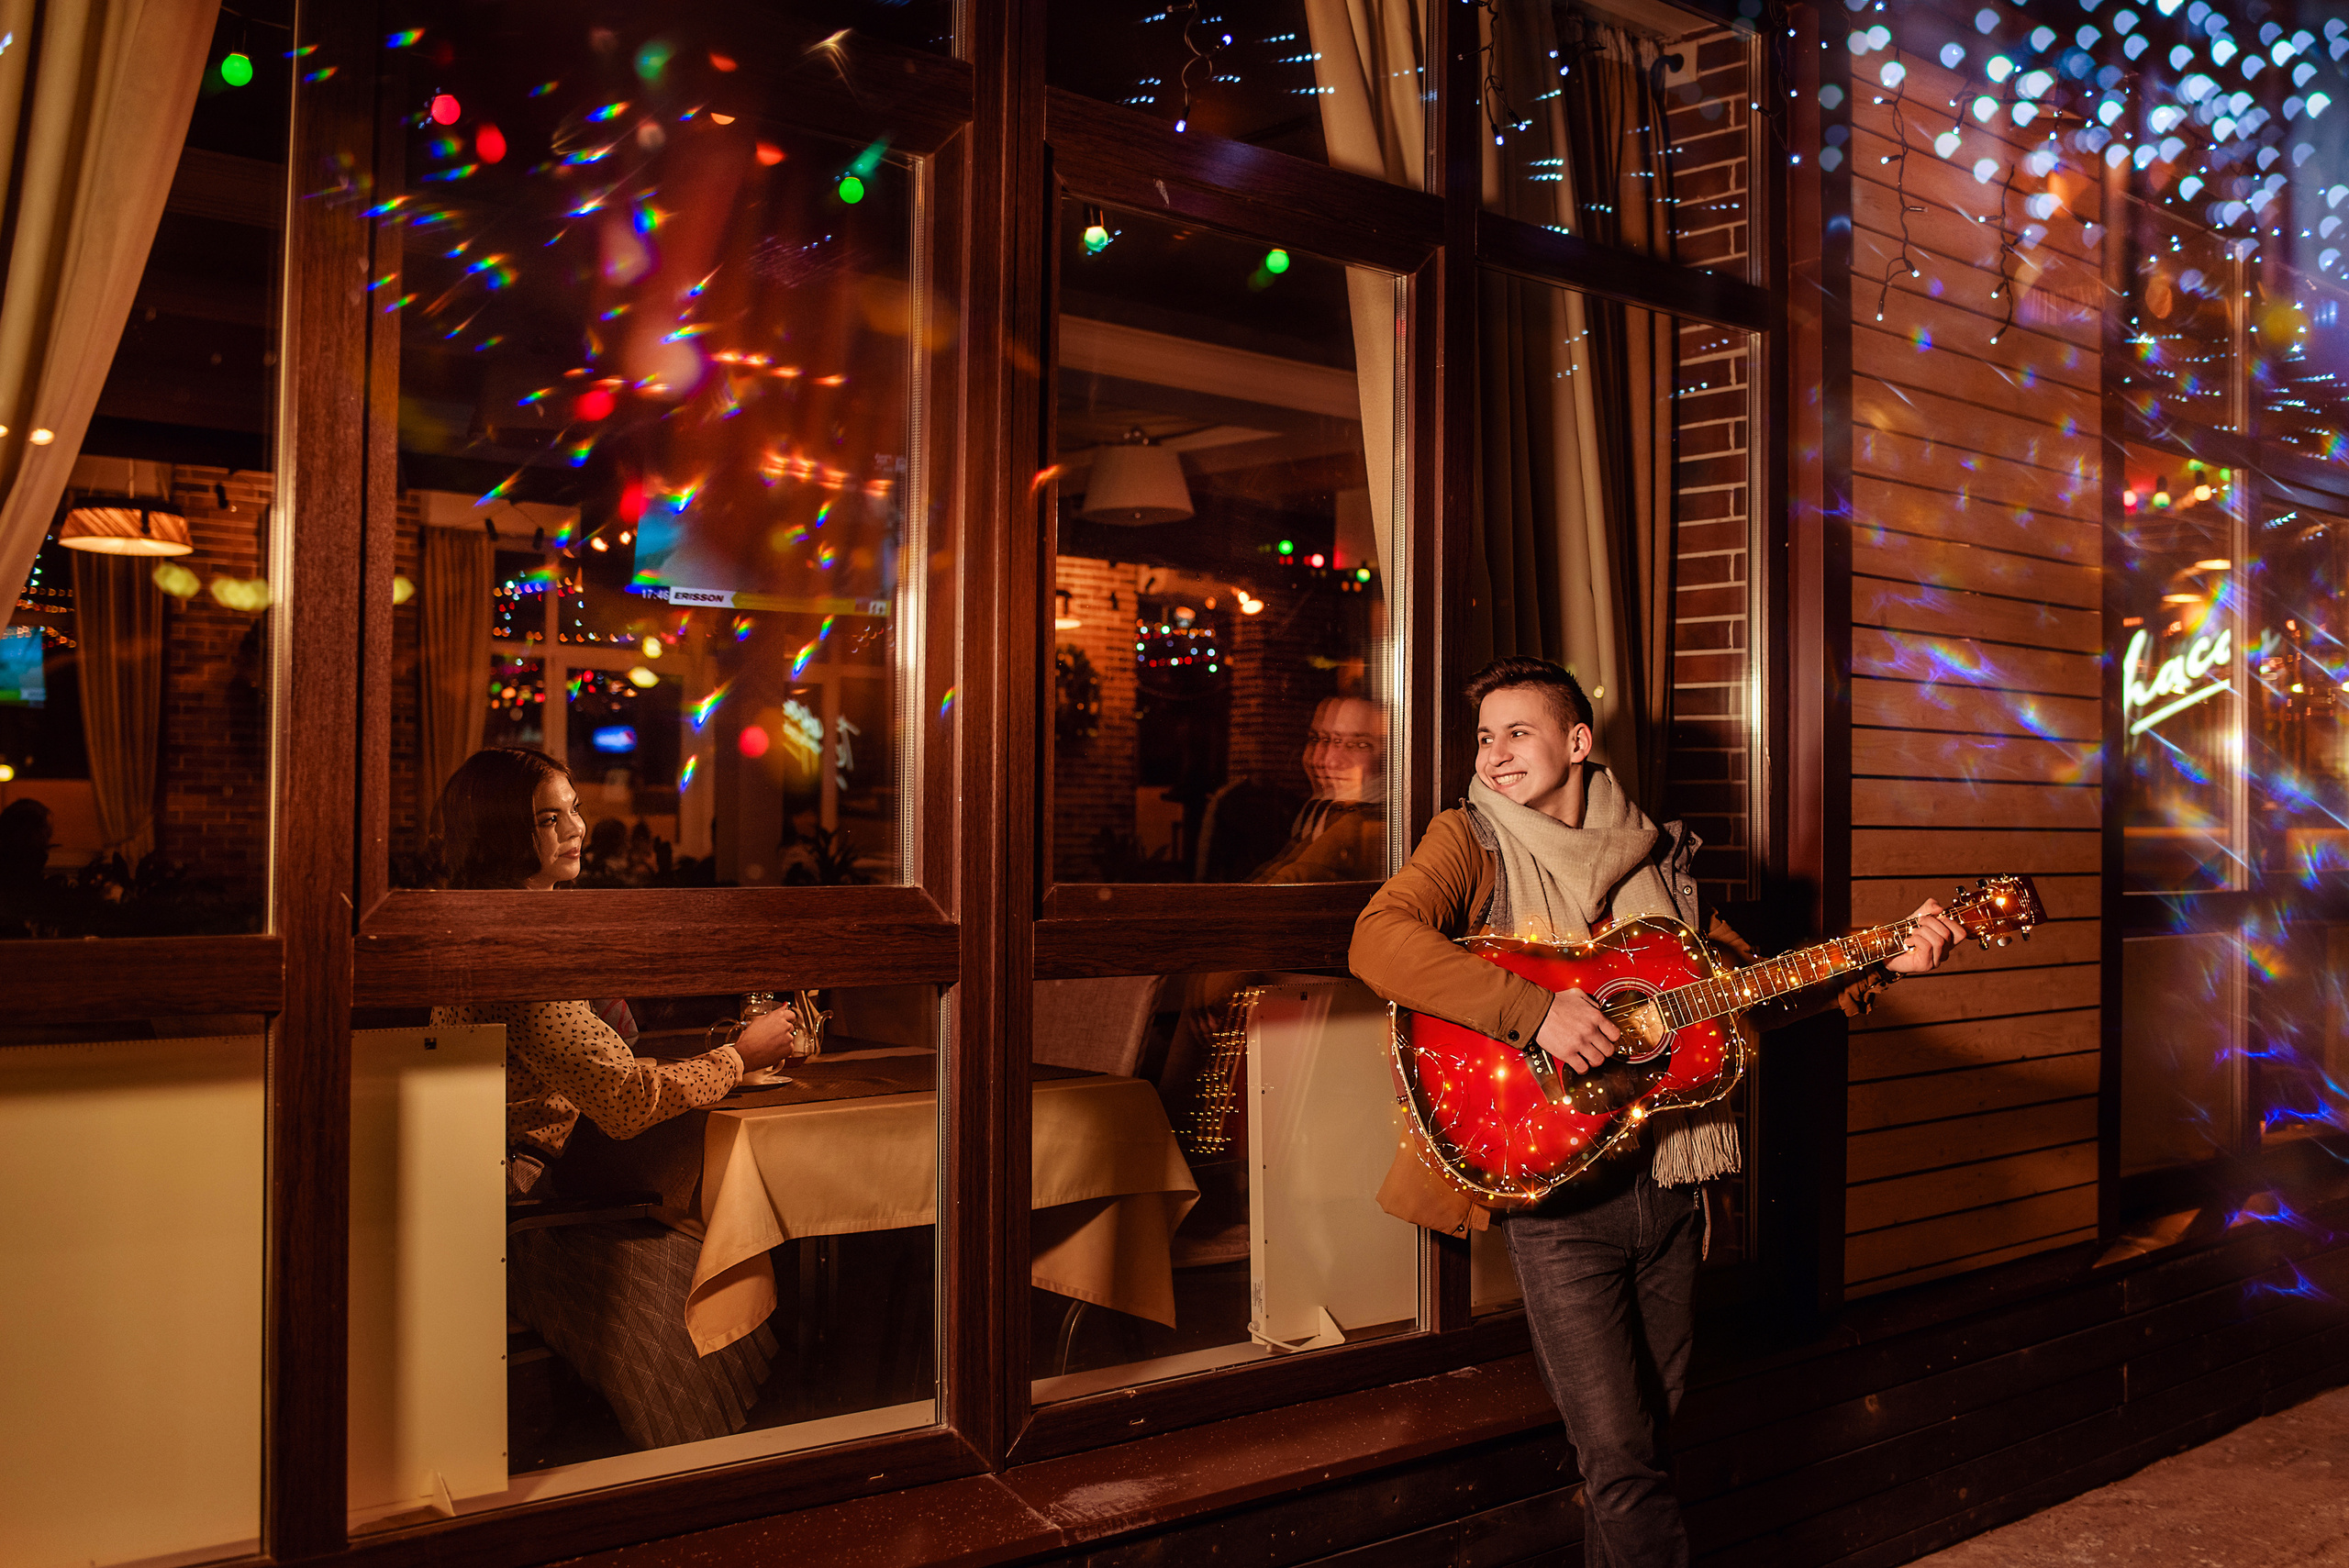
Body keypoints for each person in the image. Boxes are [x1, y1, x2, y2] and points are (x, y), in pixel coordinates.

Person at [1349, 656, 1958, 1568]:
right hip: (1554, 1195)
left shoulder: (1662, 859)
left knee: (1638, 1451)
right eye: (1485, 736)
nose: (1495, 752)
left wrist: (1875, 963)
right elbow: (1378, 937)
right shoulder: (1469, 838)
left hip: (1672, 1185)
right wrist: (1534, 1007)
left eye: (1519, 730)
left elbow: (1728, 1005)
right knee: (1624, 1458)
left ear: (1577, 741)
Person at [429, 745, 802, 1451]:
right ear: (504, 831)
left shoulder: (487, 921)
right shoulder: (519, 948)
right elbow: (626, 1101)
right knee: (702, 1258)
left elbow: (588, 1071)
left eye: (574, 809)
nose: (575, 829)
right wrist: (739, 1055)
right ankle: (720, 1470)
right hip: (524, 1213)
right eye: (549, 817)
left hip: (500, 1193)